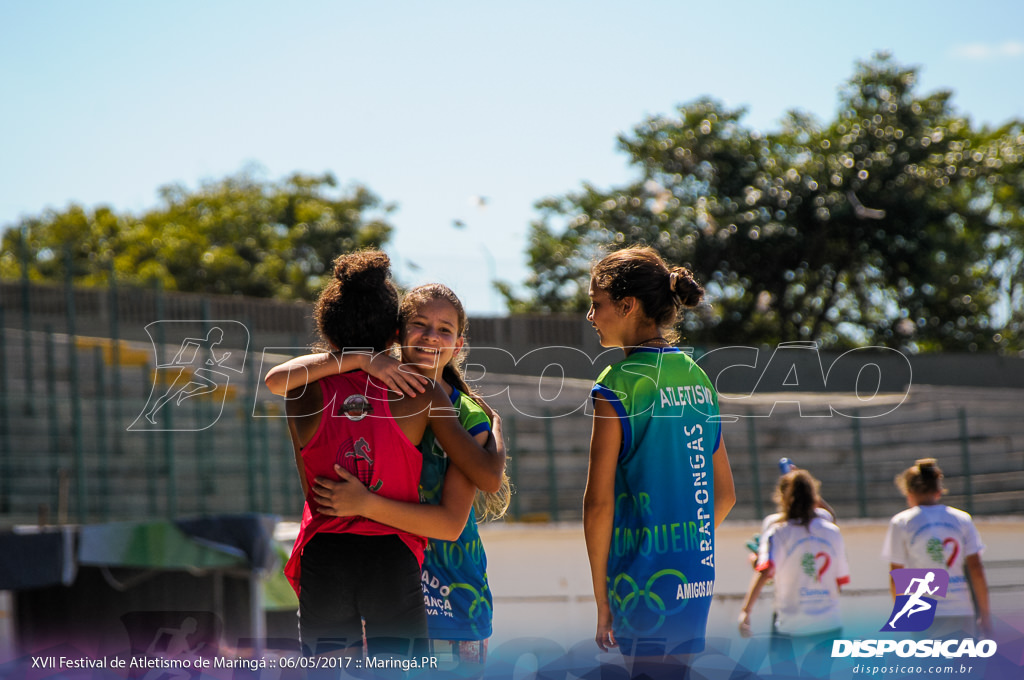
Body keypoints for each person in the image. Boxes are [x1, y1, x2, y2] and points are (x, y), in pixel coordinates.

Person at [269, 251, 505, 658]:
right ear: (394, 334)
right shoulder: (420, 394)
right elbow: (487, 477)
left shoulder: (303, 392)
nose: (431, 336)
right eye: (420, 325)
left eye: (444, 329)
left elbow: (277, 378)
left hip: (343, 559)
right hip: (393, 561)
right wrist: (496, 429)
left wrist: (354, 358)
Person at [582, 245, 736, 667]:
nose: (591, 316)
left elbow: (598, 504)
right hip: (694, 577)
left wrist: (602, 599)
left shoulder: (617, 382)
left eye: (597, 305)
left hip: (641, 579)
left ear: (627, 306)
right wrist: (685, 544)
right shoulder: (697, 376)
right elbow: (724, 496)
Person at [738, 470, 850, 663]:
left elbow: (765, 571)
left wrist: (746, 610)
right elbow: (839, 581)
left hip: (791, 623)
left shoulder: (778, 531)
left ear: (782, 498)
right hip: (829, 622)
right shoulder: (832, 532)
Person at [881, 457, 992, 638]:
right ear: (939, 491)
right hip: (960, 609)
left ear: (909, 492)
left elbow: (896, 577)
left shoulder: (902, 522)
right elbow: (976, 569)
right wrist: (985, 615)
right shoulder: (962, 519)